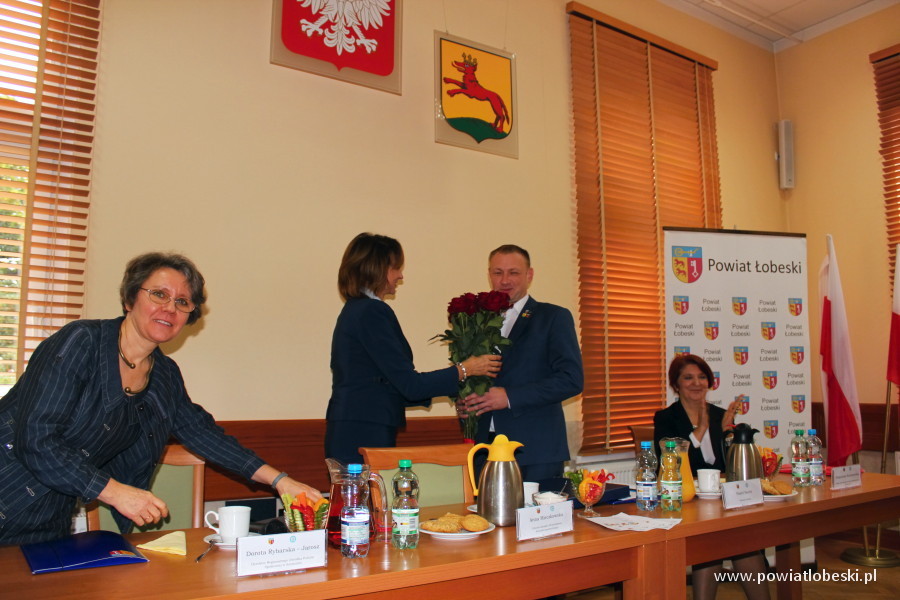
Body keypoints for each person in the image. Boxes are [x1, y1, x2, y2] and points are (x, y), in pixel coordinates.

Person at [0, 252, 321, 546]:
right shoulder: (81, 342)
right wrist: (115, 492)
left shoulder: (164, 375)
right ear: (130, 299)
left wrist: (280, 481)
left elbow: (203, 434)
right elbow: (36, 439)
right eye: (159, 294)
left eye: (183, 301)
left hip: (47, 519)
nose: (170, 308)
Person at [325, 233, 501, 465]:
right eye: (396, 267)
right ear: (377, 268)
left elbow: (387, 385)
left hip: (356, 427)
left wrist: (458, 391)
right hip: (364, 431)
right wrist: (465, 370)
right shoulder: (371, 312)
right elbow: (410, 385)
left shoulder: (357, 310)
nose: (400, 275)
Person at [459, 244, 583, 481]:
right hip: (483, 450)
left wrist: (509, 397)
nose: (505, 280)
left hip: (535, 450)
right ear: (489, 275)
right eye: (498, 272)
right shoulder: (475, 321)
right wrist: (465, 401)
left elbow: (571, 380)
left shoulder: (553, 317)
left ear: (529, 275)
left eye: (513, 272)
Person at [654, 354, 769, 600]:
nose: (696, 383)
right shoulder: (666, 418)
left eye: (702, 377)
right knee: (715, 541)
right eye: (688, 378)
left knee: (742, 540)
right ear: (676, 385)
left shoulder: (720, 415)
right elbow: (670, 461)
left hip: (720, 499)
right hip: (685, 501)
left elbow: (730, 466)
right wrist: (700, 430)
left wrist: (729, 434)